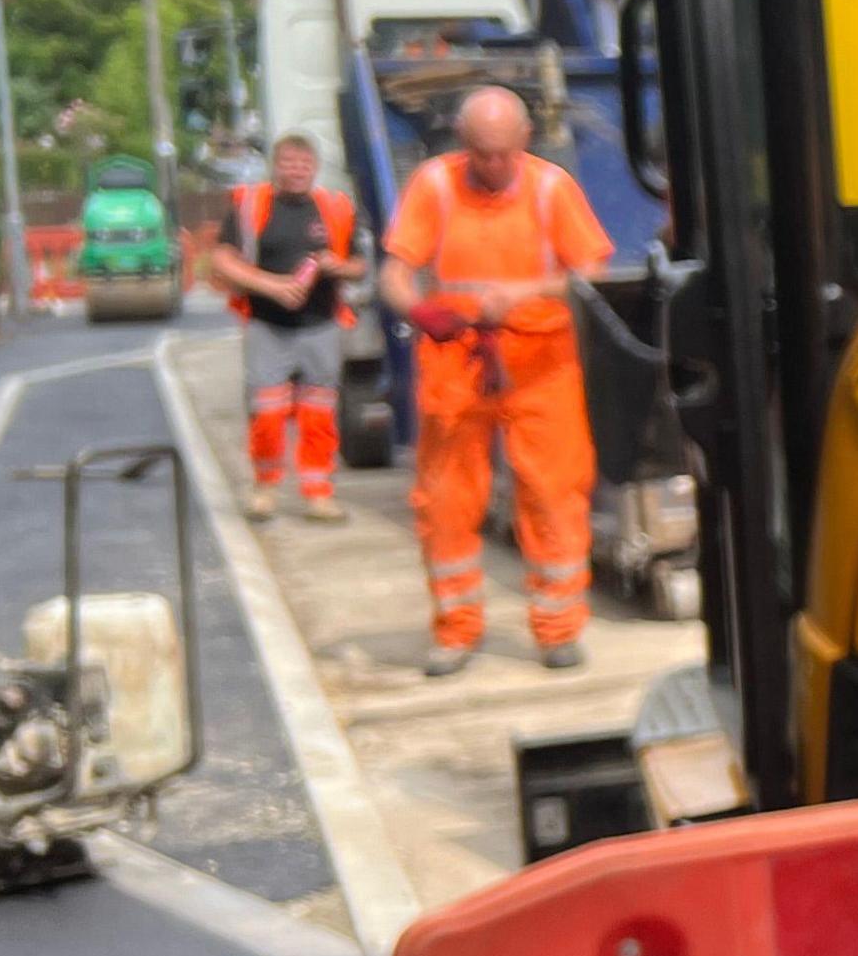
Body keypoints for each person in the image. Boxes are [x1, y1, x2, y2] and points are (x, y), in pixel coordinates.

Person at [378, 87, 614, 679]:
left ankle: (558, 628)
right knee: (446, 498)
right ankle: (456, 628)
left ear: (524, 142)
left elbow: (591, 273)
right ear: (463, 145)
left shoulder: (551, 188)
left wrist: (524, 294)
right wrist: (417, 310)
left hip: (541, 362)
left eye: (504, 153)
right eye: (482, 154)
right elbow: (395, 274)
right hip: (457, 358)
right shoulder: (434, 185)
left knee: (554, 491)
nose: (494, 166)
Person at [210, 134, 364, 522]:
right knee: (266, 412)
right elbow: (223, 260)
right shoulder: (251, 205)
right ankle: (265, 486)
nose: (296, 170)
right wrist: (273, 287)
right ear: (276, 167)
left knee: (319, 414)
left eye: (303, 163)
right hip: (267, 326)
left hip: (321, 326)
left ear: (313, 168)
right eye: (288, 162)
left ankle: (318, 492)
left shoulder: (336, 208)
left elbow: (360, 266)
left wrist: (337, 266)